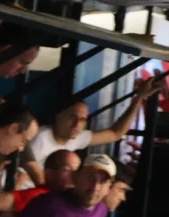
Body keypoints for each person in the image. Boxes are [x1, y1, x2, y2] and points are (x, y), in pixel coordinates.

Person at [22, 77, 161, 184]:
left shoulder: (76, 137)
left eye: (83, 120)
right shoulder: (39, 139)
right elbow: (22, 177)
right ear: (58, 116)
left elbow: (115, 134)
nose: (77, 124)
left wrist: (139, 98)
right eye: (72, 117)